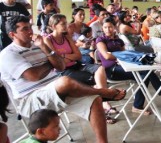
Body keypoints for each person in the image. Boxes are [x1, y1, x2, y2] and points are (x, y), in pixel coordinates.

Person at [0, 15, 126, 143]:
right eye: (24, 29)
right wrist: (51, 62)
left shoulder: (38, 46)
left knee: (95, 100)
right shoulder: (8, 54)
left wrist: (44, 47)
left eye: (30, 27)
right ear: (12, 34)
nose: (30, 32)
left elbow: (60, 66)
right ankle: (103, 91)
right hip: (30, 100)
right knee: (65, 81)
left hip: (57, 92)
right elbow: (34, 75)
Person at [44, 14, 119, 124]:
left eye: (66, 23)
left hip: (77, 65)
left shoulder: (67, 37)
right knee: (94, 83)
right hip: (63, 72)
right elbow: (57, 62)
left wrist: (64, 56)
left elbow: (78, 56)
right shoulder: (48, 40)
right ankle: (104, 106)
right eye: (63, 24)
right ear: (54, 26)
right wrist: (67, 57)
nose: (67, 25)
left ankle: (103, 100)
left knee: (100, 69)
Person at [96, 17, 161, 115]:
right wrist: (121, 56)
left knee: (145, 76)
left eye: (110, 27)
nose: (108, 29)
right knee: (146, 73)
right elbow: (106, 56)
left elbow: (126, 55)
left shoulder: (118, 40)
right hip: (111, 70)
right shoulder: (100, 40)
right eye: (105, 27)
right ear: (102, 28)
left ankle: (137, 106)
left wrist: (123, 56)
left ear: (114, 27)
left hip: (123, 66)